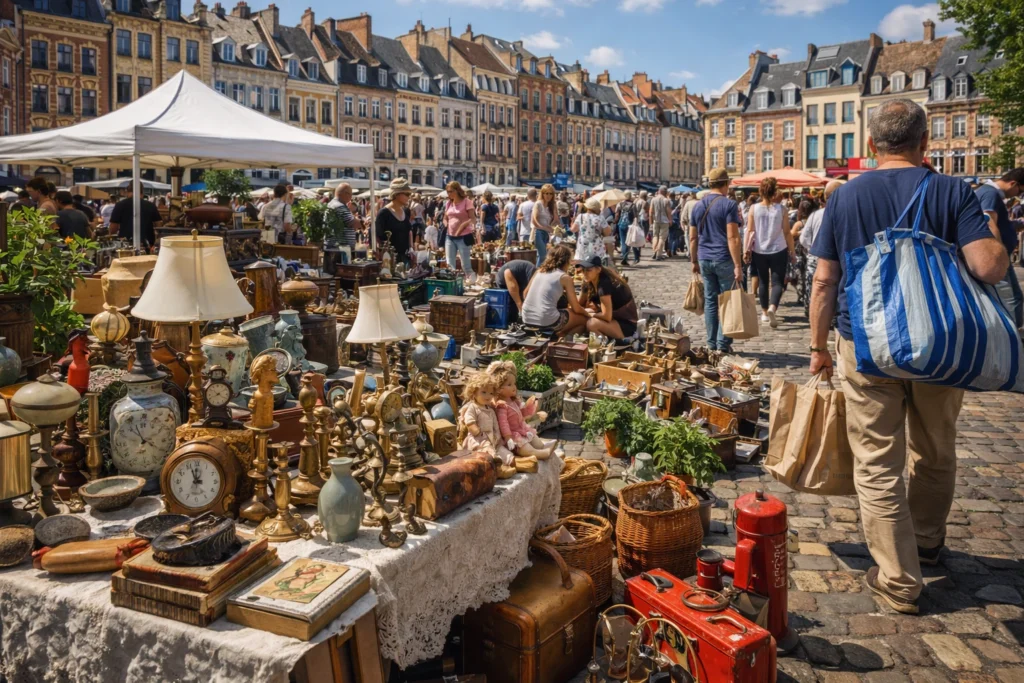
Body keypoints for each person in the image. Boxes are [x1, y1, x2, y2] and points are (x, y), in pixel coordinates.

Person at [809, 98, 1008, 615]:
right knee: (936, 448)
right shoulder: (951, 189)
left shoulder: (846, 196)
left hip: (866, 345)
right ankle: (925, 541)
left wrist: (817, 349)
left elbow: (824, 281)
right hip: (939, 343)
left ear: (870, 145)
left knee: (877, 460)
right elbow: (989, 269)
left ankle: (897, 579)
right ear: (926, 142)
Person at [689, 168, 743, 352]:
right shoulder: (729, 205)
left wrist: (694, 260)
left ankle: (711, 344)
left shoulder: (697, 206)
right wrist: (738, 265)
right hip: (723, 258)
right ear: (726, 184)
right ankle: (722, 344)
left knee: (711, 301)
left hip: (704, 258)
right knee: (728, 301)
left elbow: (692, 238)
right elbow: (733, 238)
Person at [975, 168, 1024, 328]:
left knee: (1010, 296)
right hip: (997, 255)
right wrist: (998, 254)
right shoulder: (991, 194)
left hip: (996, 254)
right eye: (1019, 190)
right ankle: (1013, 332)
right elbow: (989, 222)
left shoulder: (986, 192)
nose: (1016, 195)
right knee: (1010, 296)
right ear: (1013, 183)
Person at [745, 176, 794, 329]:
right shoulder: (782, 209)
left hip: (760, 249)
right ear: (774, 192)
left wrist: (746, 250)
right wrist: (792, 250)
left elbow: (750, 230)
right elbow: (787, 232)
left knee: (763, 281)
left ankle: (765, 313)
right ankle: (773, 307)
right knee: (778, 282)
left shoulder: (754, 208)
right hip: (779, 249)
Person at [520, 245, 587, 335]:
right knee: (584, 320)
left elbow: (525, 294)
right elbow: (576, 308)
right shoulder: (565, 277)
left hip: (526, 318)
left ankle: (559, 336)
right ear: (567, 261)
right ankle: (562, 338)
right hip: (547, 320)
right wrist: (589, 314)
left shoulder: (539, 271)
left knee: (571, 317)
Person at [571, 255, 640, 340]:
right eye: (583, 270)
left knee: (591, 323)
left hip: (625, 324)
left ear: (598, 270)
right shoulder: (588, 282)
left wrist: (587, 314)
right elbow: (579, 305)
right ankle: (569, 339)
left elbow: (606, 316)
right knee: (579, 316)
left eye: (588, 270)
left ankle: (609, 344)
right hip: (612, 319)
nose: (585, 273)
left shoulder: (604, 284)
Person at [444, 181, 477, 282]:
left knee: (465, 264)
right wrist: (446, 224)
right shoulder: (449, 203)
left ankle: (472, 282)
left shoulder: (467, 202)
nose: (448, 194)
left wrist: (462, 225)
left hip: (463, 236)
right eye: (447, 192)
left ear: (457, 190)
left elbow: (473, 219)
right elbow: (445, 217)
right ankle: (452, 284)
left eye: (450, 191)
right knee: (450, 263)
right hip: (450, 236)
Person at [376, 178, 414, 264]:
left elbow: (409, 231)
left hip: (405, 258)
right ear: (396, 194)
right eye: (407, 194)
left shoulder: (406, 211)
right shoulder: (384, 213)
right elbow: (378, 238)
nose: (409, 196)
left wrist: (412, 248)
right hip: (389, 259)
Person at [571, 197, 610, 264]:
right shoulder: (600, 218)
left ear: (587, 207)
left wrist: (572, 222)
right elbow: (607, 233)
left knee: (582, 263)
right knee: (596, 263)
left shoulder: (580, 216)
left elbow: (573, 230)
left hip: (583, 244)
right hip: (597, 245)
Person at [327, 183, 362, 249]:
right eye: (351, 194)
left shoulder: (331, 204)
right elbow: (353, 223)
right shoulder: (340, 206)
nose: (351, 197)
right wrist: (364, 222)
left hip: (334, 246)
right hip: (340, 249)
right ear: (346, 194)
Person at [531, 184, 558, 265]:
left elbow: (556, 220)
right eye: (546, 193)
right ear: (542, 194)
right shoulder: (538, 204)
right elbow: (534, 220)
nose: (548, 196)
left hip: (547, 233)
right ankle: (538, 274)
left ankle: (539, 273)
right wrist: (545, 228)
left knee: (545, 255)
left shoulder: (552, 205)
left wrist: (553, 227)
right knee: (543, 255)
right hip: (538, 232)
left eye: (550, 194)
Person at [614, 191, 640, 266]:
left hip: (621, 224)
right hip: (630, 225)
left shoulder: (620, 203)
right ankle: (634, 257)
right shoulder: (633, 205)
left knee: (623, 241)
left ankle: (624, 258)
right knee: (631, 241)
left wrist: (615, 221)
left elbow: (617, 214)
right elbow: (636, 216)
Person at [649, 186, 673, 261]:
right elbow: (668, 212)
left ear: (659, 191)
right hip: (664, 221)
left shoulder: (653, 199)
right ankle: (658, 254)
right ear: (665, 192)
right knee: (662, 238)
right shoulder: (666, 200)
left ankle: (654, 252)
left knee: (655, 236)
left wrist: (650, 222)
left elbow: (650, 212)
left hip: (656, 220)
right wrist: (670, 220)